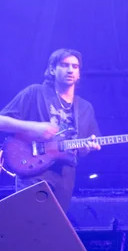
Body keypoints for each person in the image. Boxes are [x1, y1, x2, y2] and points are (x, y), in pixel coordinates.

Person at [0, 49, 100, 212]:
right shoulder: (35, 92)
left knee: (55, 223)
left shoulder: (85, 107)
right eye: (64, 65)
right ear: (52, 69)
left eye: (75, 66)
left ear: (79, 73)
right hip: (32, 169)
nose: (70, 70)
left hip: (65, 175)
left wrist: (87, 148)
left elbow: (83, 150)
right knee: (30, 221)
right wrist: (33, 127)